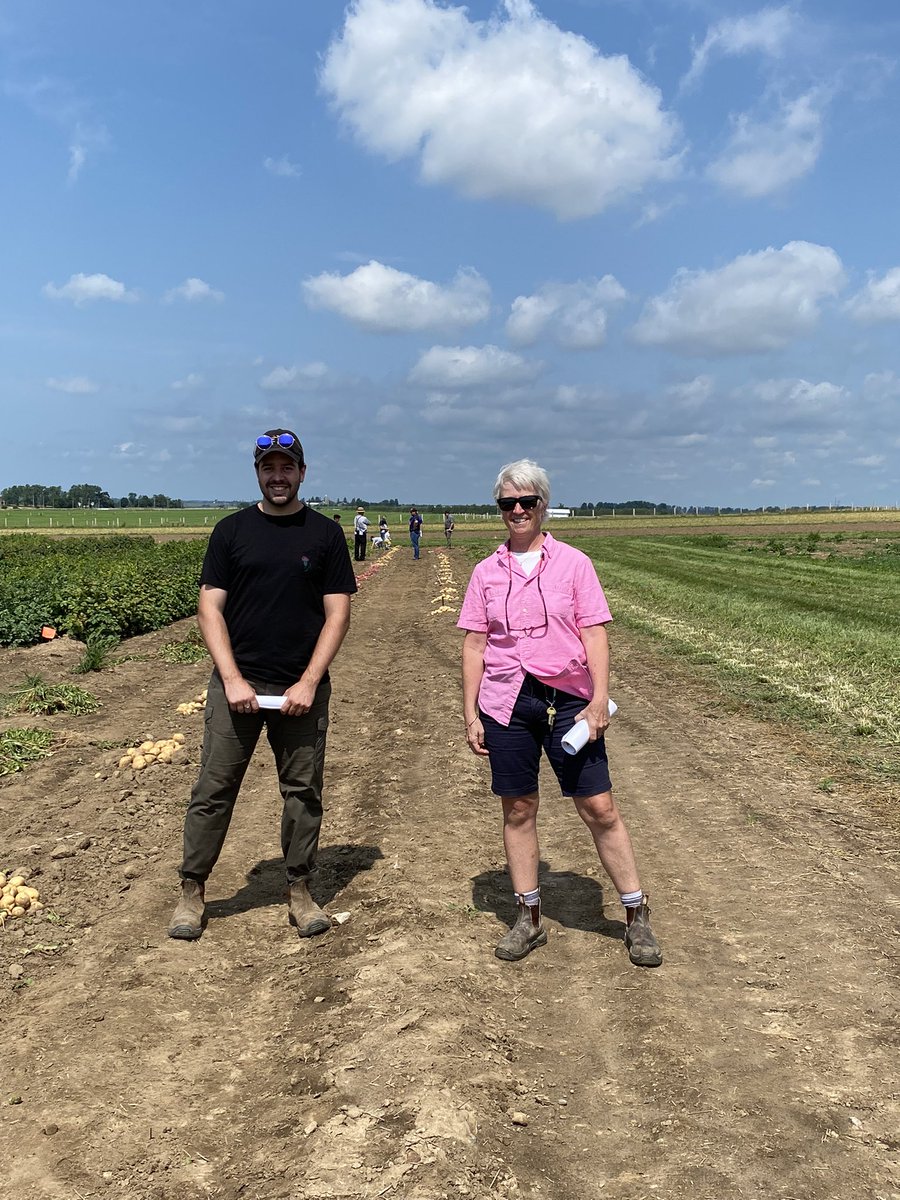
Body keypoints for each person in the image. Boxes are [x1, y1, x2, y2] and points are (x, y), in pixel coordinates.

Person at [457, 459, 661, 968]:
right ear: (499, 509)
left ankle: (636, 914)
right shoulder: (485, 572)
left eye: (528, 502)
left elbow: (594, 633)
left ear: (543, 506)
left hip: (568, 700)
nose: (518, 511)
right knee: (518, 808)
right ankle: (528, 917)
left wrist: (597, 699)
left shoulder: (574, 564)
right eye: (508, 504)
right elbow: (475, 646)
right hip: (506, 702)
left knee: (599, 808)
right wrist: (470, 713)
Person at [168, 428, 357, 942]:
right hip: (238, 687)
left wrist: (309, 682)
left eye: (287, 467)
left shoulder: (324, 535)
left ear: (302, 472)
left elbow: (337, 613)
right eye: (269, 467)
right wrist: (231, 679)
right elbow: (210, 608)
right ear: (258, 473)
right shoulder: (231, 532)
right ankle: (192, 891)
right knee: (213, 788)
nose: (278, 476)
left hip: (301, 687)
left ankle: (299, 889)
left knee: (303, 791)